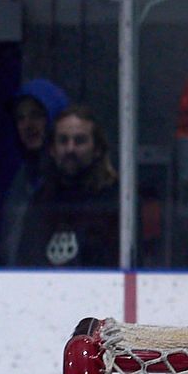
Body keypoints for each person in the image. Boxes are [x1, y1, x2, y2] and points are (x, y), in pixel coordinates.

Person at [17, 103, 121, 269]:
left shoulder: (116, 200)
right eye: (63, 140)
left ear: (97, 149)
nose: (70, 149)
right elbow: (26, 262)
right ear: (52, 149)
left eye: (79, 141)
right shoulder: (41, 200)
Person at [0, 77, 68, 267]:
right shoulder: (20, 179)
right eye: (20, 118)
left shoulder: (69, 179)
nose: (27, 125)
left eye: (36, 115)